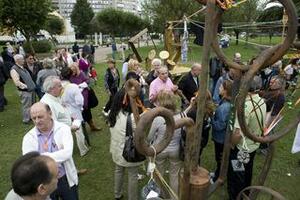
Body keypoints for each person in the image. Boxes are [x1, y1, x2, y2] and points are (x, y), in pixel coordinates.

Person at [22, 102, 79, 199]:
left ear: (50, 113)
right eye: (34, 118)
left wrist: (40, 157)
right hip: (43, 182)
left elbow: (67, 153)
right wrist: (57, 155)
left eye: (40, 117)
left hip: (65, 179)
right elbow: (29, 162)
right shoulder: (28, 137)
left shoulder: (63, 129)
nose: (37, 121)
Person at [227, 76, 266, 200]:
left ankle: (236, 196)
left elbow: (238, 133)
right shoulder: (261, 101)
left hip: (242, 148)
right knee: (247, 171)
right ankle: (246, 193)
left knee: (237, 174)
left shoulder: (245, 106)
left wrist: (232, 145)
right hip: (253, 146)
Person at [108, 86, 144, 200]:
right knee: (133, 175)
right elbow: (141, 133)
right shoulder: (134, 118)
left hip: (116, 150)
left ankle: (117, 194)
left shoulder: (113, 112)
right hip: (129, 152)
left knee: (118, 171)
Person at [41, 76, 90, 156]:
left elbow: (61, 111)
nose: (62, 87)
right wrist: (70, 129)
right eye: (59, 86)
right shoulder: (47, 104)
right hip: (59, 141)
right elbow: (52, 127)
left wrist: (70, 117)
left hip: (66, 134)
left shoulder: (55, 97)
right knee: (63, 159)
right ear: (51, 89)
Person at [148, 91, 182, 196]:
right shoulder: (181, 115)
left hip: (159, 150)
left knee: (159, 175)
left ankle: (160, 195)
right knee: (174, 175)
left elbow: (149, 137)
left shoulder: (158, 118)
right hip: (175, 150)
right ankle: (174, 197)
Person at [211, 79, 233, 182]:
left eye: (220, 87)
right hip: (223, 137)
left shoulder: (225, 107)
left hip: (221, 139)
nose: (218, 88)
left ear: (225, 90)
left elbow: (219, 126)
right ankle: (218, 173)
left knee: (220, 159)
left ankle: (217, 178)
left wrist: (211, 117)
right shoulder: (226, 102)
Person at [70, 63, 101, 131]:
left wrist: (81, 85)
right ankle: (82, 128)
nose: (73, 72)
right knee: (81, 114)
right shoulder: (70, 77)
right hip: (76, 98)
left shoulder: (81, 74)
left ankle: (92, 126)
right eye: (72, 70)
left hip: (85, 97)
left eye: (74, 70)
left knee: (87, 112)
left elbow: (87, 80)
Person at [10, 54, 36, 124]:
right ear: (17, 60)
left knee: (32, 104)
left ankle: (30, 117)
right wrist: (26, 87)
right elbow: (17, 82)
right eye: (22, 59)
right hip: (25, 91)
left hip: (31, 90)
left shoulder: (22, 67)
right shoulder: (14, 69)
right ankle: (26, 120)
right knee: (26, 106)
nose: (24, 60)